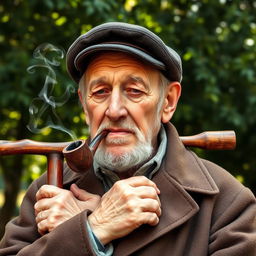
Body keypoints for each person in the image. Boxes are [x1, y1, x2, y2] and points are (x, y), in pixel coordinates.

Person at [0, 22, 255, 256]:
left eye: (134, 91)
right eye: (100, 92)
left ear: (168, 102)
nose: (114, 110)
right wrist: (95, 227)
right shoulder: (47, 193)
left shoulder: (228, 204)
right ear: (84, 106)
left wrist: (90, 232)